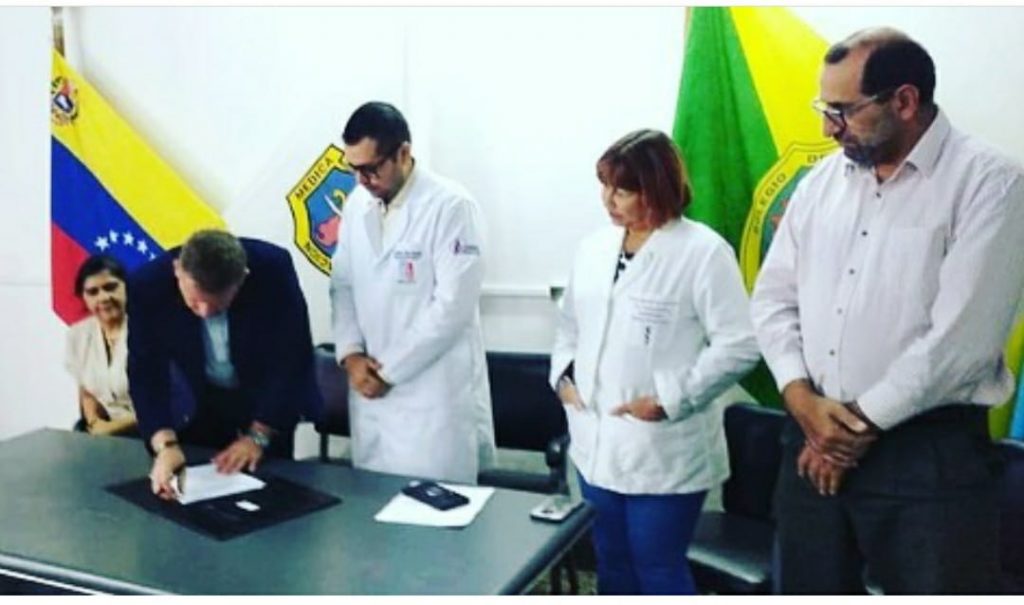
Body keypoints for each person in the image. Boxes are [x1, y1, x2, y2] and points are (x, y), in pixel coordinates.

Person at [750, 28, 1024, 594]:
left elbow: (960, 344)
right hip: (809, 438)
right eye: (825, 109)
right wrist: (801, 401)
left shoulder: (990, 183)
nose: (829, 128)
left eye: (844, 111)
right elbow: (773, 298)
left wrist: (851, 429)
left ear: (904, 101)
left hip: (927, 458)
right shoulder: (820, 184)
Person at [550, 129, 760, 594]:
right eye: (605, 185)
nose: (608, 199)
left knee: (657, 568)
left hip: (663, 447)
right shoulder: (594, 249)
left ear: (656, 188)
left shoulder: (702, 252)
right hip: (595, 439)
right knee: (611, 562)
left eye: (622, 190)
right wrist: (564, 377)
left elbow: (741, 343)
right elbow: (570, 326)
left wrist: (669, 400)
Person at [330, 101, 495, 484]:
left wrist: (389, 371)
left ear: (403, 153)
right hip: (370, 394)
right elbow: (343, 285)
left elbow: (452, 308)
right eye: (354, 169)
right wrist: (351, 355)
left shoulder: (451, 206)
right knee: (373, 506)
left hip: (431, 400)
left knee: (435, 511)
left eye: (371, 168)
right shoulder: (357, 205)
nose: (362, 180)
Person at [128, 229, 322, 499]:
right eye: (195, 301)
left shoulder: (272, 269)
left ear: (242, 278)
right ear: (177, 271)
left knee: (272, 494)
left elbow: (292, 357)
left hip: (264, 401)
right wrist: (165, 445)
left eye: (217, 304)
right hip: (199, 403)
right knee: (195, 494)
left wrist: (259, 435)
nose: (205, 312)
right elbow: (145, 372)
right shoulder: (147, 285)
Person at [65, 255, 137, 436]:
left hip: (152, 433)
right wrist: (94, 422)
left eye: (110, 287)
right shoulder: (78, 334)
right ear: (83, 297)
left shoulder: (150, 330)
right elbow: (86, 390)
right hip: (103, 432)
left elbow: (170, 404)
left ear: (126, 287)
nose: (103, 297)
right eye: (93, 292)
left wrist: (110, 429)